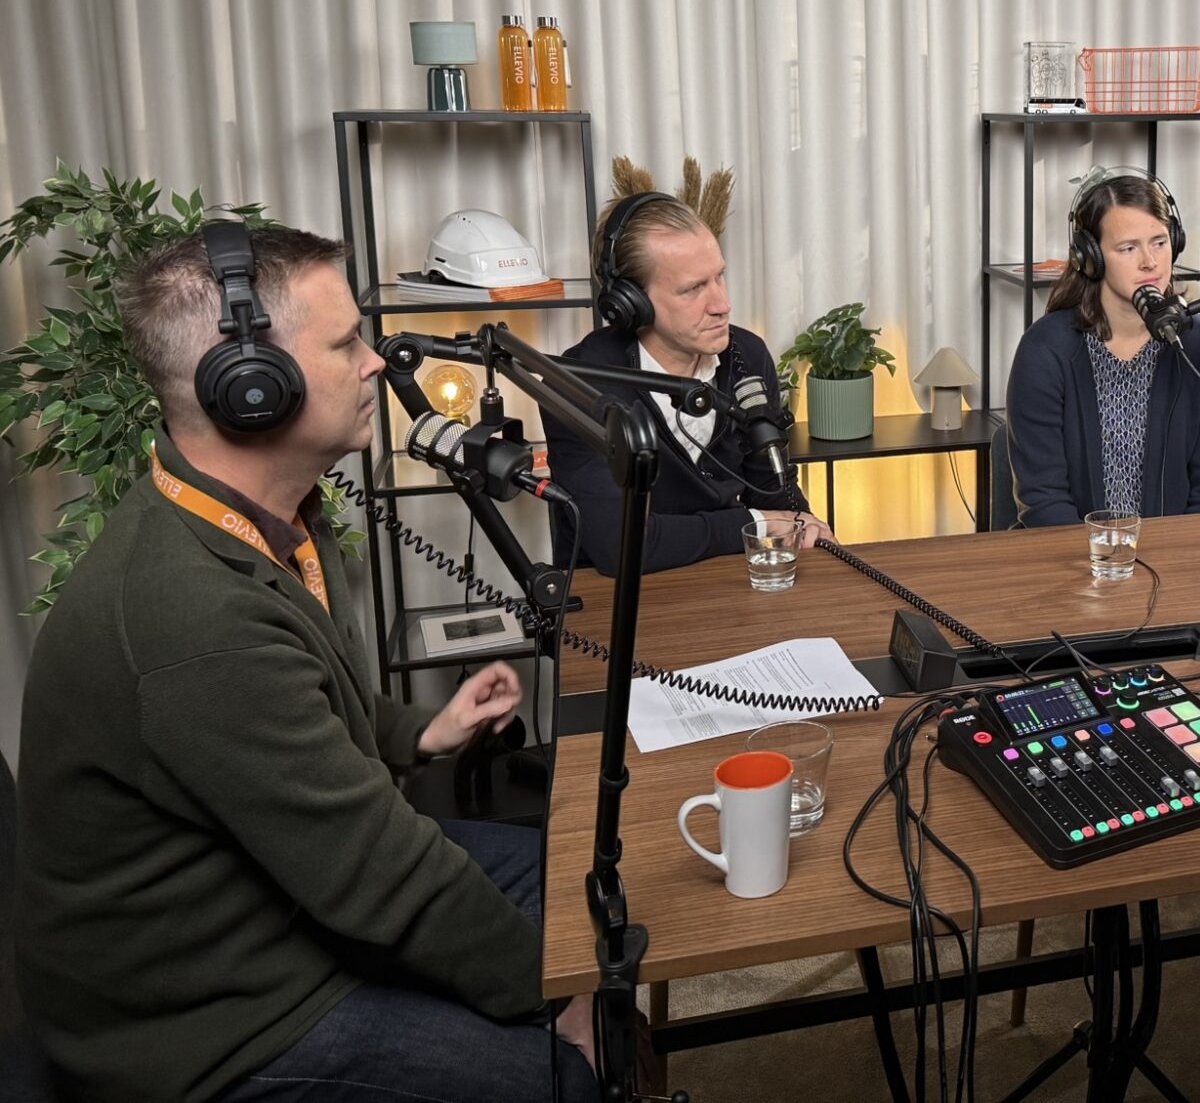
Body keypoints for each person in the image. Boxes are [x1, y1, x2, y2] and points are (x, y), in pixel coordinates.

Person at [14, 222, 594, 1102]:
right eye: (345, 343)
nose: (374, 364)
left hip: (286, 902)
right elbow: (381, 878)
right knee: (556, 1074)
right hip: (214, 1019)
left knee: (580, 887)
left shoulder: (257, 517)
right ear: (249, 386)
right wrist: (556, 999)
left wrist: (416, 731)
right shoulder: (194, 614)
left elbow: (298, 710)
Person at [549, 157, 830, 575]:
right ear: (630, 303)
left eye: (719, 276)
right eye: (694, 288)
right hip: (620, 597)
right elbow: (619, 545)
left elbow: (773, 495)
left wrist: (805, 527)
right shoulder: (577, 384)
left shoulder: (746, 355)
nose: (722, 304)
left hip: (730, 582)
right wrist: (753, 523)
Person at [1007, 168, 1200, 526]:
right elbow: (1043, 499)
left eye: (1159, 242)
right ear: (1091, 257)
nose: (1150, 261)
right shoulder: (1045, 350)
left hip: (1177, 553)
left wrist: (1167, 558)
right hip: (1069, 552)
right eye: (1128, 248)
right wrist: (1106, 555)